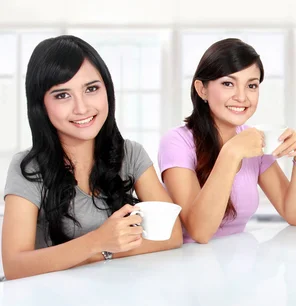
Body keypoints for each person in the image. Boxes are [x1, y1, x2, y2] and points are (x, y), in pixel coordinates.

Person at [2, 35, 183, 280]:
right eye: (62, 95)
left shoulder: (131, 154)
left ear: (107, 89)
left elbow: (172, 235)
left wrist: (103, 250)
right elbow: (14, 266)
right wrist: (97, 242)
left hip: (117, 297)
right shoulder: (29, 168)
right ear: (40, 105)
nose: (82, 108)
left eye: (91, 89)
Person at [158, 38, 296, 244]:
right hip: (190, 265)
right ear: (202, 89)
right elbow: (199, 232)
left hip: (238, 264)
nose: (242, 97)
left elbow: (295, 215)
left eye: (252, 85)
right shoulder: (177, 142)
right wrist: (232, 152)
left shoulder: (255, 140)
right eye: (228, 83)